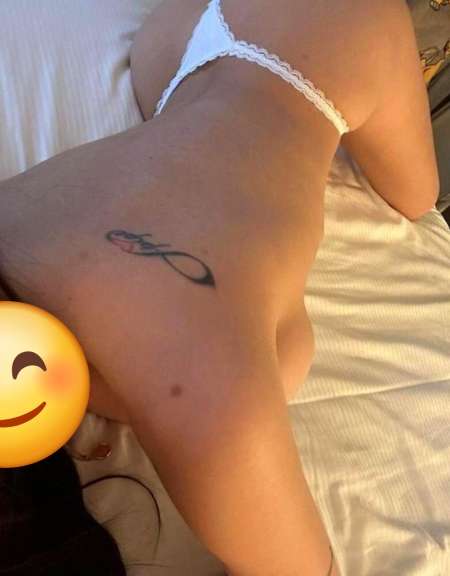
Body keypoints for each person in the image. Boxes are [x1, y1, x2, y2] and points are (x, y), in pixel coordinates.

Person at [0, 0, 439, 574]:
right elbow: (416, 196)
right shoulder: (368, 17)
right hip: (175, 312)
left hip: (60, 207)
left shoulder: (178, 21)